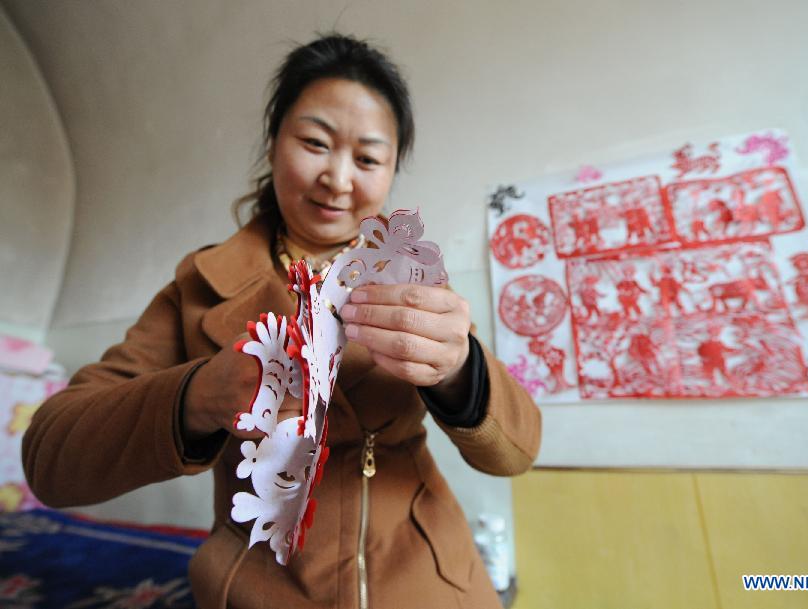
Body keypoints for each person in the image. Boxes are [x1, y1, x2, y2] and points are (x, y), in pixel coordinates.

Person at [22, 34, 541, 609]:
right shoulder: (200, 288)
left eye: (368, 158)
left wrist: (461, 371)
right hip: (260, 589)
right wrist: (198, 396)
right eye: (315, 143)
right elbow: (50, 459)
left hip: (430, 584)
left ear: (392, 172)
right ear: (273, 146)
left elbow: (516, 453)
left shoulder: (414, 279)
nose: (339, 179)